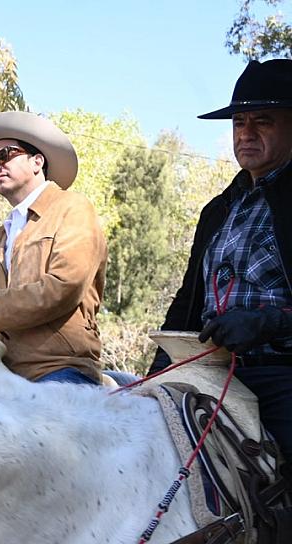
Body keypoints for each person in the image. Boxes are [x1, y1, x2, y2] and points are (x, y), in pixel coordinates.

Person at [147, 59, 292, 464]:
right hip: (209, 369)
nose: (245, 133)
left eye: (262, 121)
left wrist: (269, 322)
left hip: (281, 372)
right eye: (238, 122)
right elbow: (189, 300)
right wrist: (159, 369)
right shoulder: (218, 209)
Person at [0, 111, 107, 385]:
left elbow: (66, 286)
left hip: (59, 369)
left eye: (4, 155)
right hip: (6, 372)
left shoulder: (73, 207)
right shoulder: (5, 232)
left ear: (37, 161)